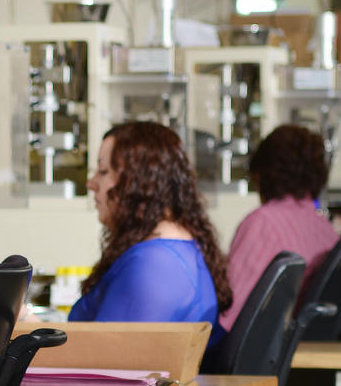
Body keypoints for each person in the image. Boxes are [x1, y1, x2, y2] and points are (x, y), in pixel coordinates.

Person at [69, 121, 231, 343]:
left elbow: (103, 361)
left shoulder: (154, 264)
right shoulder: (179, 249)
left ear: (138, 181)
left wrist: (25, 327)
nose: (91, 183)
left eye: (104, 171)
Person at [219, 124, 340, 331]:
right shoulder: (324, 228)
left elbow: (231, 313)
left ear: (260, 172)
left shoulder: (263, 223)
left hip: (262, 353)